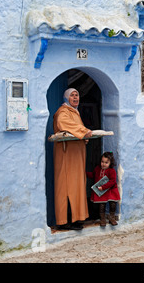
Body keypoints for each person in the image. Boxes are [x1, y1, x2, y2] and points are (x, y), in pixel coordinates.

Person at [53, 88, 92, 230]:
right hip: (66, 154)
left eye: (77, 95)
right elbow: (64, 124)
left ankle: (77, 218)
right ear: (66, 98)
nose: (75, 98)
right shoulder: (63, 112)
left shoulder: (75, 112)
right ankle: (63, 221)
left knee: (77, 185)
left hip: (76, 154)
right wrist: (84, 131)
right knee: (65, 186)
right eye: (72, 95)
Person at [87, 152, 120, 227]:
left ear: (110, 163)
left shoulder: (111, 171)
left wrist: (104, 187)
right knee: (102, 205)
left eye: (106, 162)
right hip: (102, 192)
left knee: (112, 204)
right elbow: (93, 175)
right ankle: (102, 218)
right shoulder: (97, 169)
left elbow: (112, 181)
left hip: (110, 190)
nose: (103, 164)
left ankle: (112, 217)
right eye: (102, 162)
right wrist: (85, 173)